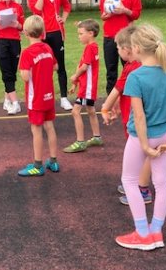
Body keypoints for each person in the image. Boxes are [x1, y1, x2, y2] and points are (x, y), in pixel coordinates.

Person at [115, 23, 166, 251]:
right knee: (161, 182)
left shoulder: (136, 77)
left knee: (129, 181)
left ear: (135, 48)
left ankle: (142, 234)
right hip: (165, 135)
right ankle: (156, 231)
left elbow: (139, 115)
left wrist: (144, 145)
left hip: (140, 138)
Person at [101, 25, 152, 206]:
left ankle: (142, 190)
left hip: (136, 119)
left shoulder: (133, 68)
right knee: (139, 152)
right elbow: (123, 92)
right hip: (133, 115)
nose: (116, 51)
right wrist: (117, 107)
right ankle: (137, 183)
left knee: (142, 153)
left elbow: (117, 89)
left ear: (127, 49)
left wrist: (105, 108)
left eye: (117, 48)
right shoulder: (134, 65)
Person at [26, 0, 73, 111]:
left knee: (59, 65)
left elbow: (66, 6)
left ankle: (64, 97)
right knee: (41, 67)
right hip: (39, 34)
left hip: (56, 32)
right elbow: (37, 9)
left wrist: (63, 19)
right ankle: (42, 96)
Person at [17, 15, 60, 177]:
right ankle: (54, 161)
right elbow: (55, 66)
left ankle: (37, 164)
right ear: (42, 32)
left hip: (35, 98)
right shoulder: (48, 48)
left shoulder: (27, 53)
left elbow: (25, 77)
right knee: (50, 127)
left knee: (36, 130)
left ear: (26, 33)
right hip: (49, 95)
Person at [99, 0, 142, 95]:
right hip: (109, 37)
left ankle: (131, 96)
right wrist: (107, 15)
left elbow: (136, 14)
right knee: (111, 70)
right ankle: (111, 99)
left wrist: (124, 10)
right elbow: (103, 16)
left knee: (129, 68)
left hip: (126, 38)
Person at [63, 19, 103, 153]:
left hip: (87, 87)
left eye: (81, 33)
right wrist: (75, 84)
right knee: (91, 110)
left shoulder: (90, 48)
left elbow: (84, 67)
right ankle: (97, 137)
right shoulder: (94, 47)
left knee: (75, 111)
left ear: (90, 33)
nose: (78, 36)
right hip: (88, 86)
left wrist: (75, 76)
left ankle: (80, 141)